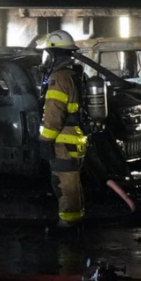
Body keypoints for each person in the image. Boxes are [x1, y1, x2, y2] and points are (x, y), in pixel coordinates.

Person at [37, 29, 88, 229]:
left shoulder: (59, 78)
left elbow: (54, 114)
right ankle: (76, 219)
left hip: (63, 140)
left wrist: (45, 140)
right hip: (75, 138)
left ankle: (68, 225)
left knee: (64, 184)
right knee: (73, 183)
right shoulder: (75, 75)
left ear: (54, 54)